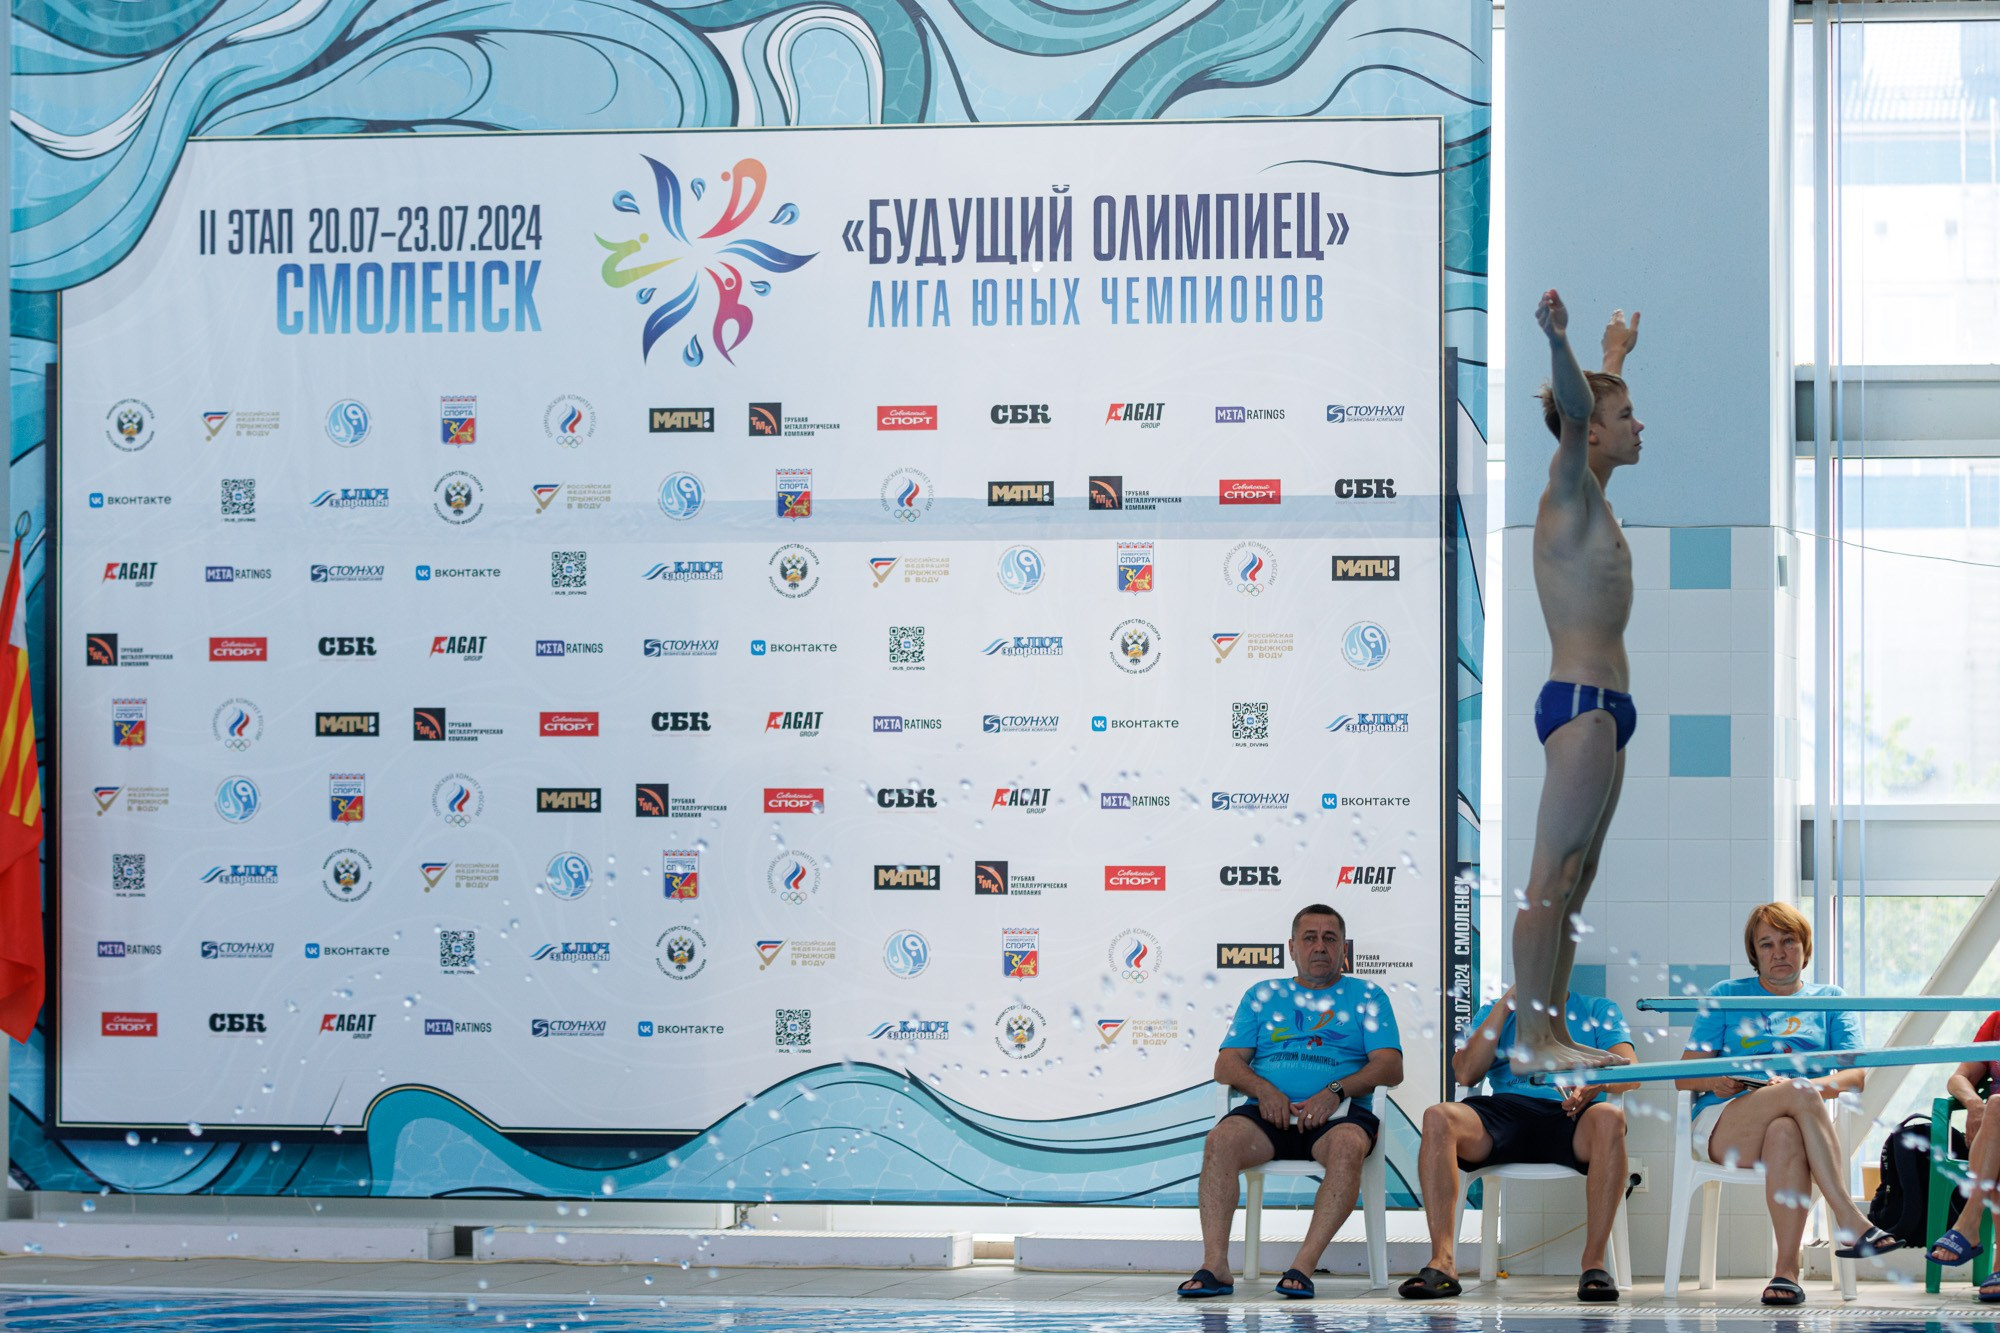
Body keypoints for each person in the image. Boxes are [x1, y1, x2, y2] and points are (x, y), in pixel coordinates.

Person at [1510, 293, 1644, 1074]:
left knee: (1576, 883)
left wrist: (1614, 354)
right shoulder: (1566, 492)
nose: (1638, 425)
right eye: (1624, 414)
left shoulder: (1595, 498)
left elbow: (1588, 405)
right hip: (1582, 706)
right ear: (1587, 429)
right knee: (1548, 883)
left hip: (1609, 712)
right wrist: (1563, 342)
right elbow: (1574, 407)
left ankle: (1550, 1030)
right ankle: (1530, 1039)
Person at [1675, 902, 1901, 1307]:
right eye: (1767, 944)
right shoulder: (1726, 995)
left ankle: (1785, 1272)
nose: (1779, 952)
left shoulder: (1830, 999)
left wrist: (1803, 1087)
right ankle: (1847, 1218)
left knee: (1786, 1127)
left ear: (1804, 948)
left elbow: (1854, 1075)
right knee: (1797, 1094)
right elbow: (1683, 1076)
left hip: (1794, 1128)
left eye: (1788, 941)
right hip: (1727, 1127)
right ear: (1754, 953)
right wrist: (1717, 1080)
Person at [1177, 904, 1403, 1300]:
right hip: (1268, 1115)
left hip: (1339, 1117)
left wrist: (1335, 1091)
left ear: (1343, 950)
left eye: (1330, 939)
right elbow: (1226, 1064)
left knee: (1350, 1146)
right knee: (1221, 1140)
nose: (1320, 947)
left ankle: (1302, 1266)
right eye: (1309, 938)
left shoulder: (1368, 995)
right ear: (1292, 948)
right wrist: (1265, 1091)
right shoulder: (1263, 995)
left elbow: (1390, 1066)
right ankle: (1215, 1265)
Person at [1402, 985, 1637, 1302]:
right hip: (1505, 1114)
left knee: (1611, 1116)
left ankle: (1593, 1265)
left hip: (1569, 1114)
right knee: (1437, 1117)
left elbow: (1631, 1069)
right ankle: (1442, 1264)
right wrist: (1503, 1008)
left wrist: (1595, 1084)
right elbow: (1466, 1074)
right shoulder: (1494, 1011)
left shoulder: (1598, 1009)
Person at [1925, 1008, 2000, 1303]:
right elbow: (1959, 1078)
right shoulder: (1997, 1020)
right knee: (1994, 1108)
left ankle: (1968, 1224)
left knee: (1996, 1105)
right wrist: (1973, 1104)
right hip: (1995, 1134)